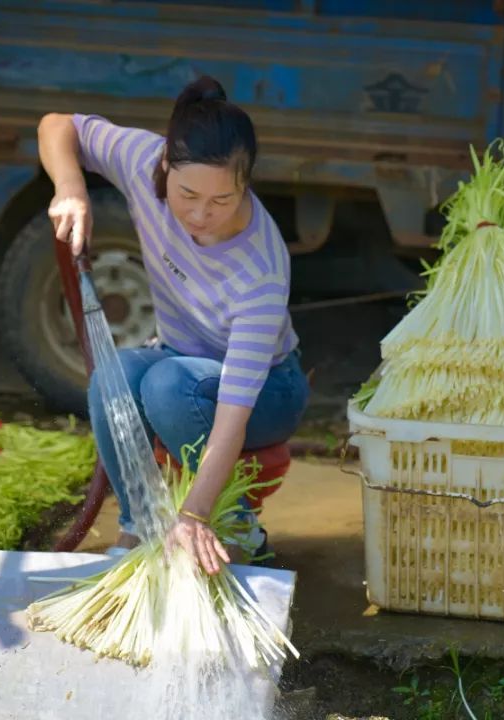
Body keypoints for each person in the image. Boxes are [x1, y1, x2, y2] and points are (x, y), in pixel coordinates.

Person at [37, 75, 309, 574]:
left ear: (244, 185)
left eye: (221, 200)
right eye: (187, 194)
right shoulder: (143, 163)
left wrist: (195, 512)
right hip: (181, 359)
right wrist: (71, 188)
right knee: (113, 376)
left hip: (268, 390)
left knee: (165, 386)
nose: (201, 215)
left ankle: (238, 524)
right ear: (165, 165)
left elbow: (232, 414)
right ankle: (140, 525)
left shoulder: (261, 271)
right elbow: (58, 126)